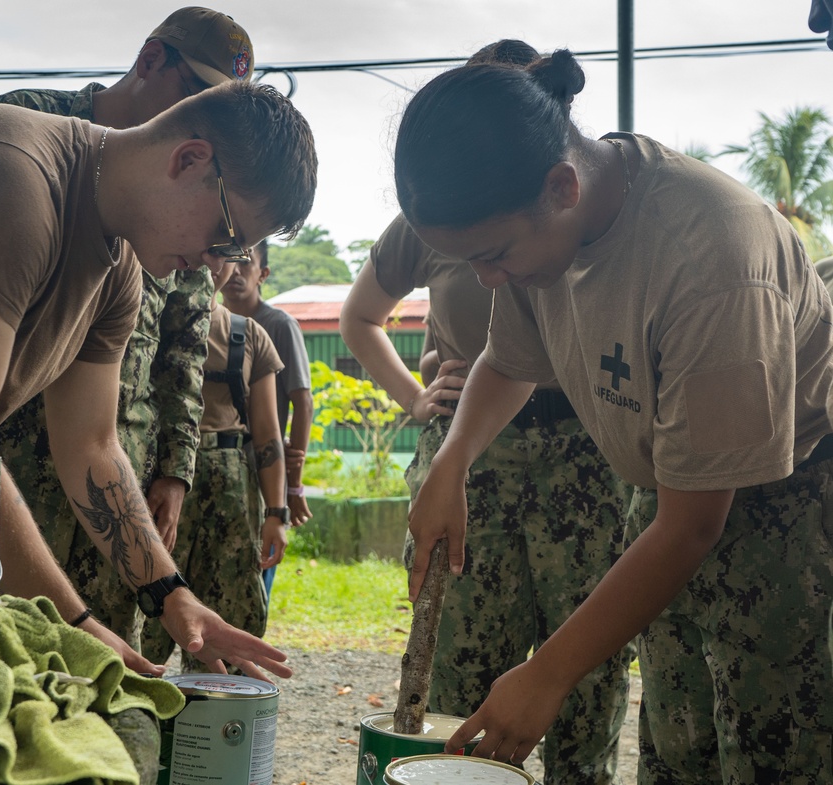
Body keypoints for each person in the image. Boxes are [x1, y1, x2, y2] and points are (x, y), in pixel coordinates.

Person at [393, 45, 833, 784]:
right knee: (675, 739)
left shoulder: (710, 257)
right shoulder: (542, 231)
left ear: (563, 186)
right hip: (664, 493)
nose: (488, 278)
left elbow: (696, 525)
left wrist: (547, 672)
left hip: (777, 507)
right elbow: (509, 359)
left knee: (770, 747)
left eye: (494, 255)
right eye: (470, 262)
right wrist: (452, 460)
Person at [0, 78, 318, 682]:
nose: (217, 265)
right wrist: (78, 626)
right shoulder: (10, 178)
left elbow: (91, 446)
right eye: (224, 237)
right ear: (189, 160)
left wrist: (171, 595)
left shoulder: (118, 268)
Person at [342, 44, 632, 785]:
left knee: (584, 675)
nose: (490, 270)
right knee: (460, 661)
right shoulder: (440, 217)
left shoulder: (563, 205)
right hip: (474, 458)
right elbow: (361, 318)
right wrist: (417, 399)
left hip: (581, 449)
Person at [0, 6, 250, 654]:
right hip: (5, 450)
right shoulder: (32, 122)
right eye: (201, 93)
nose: (209, 121)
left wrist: (174, 468)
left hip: (114, 455)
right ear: (151, 60)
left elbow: (186, 345)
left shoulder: (193, 196)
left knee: (107, 662)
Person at [144, 259, 287, 671]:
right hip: (159, 481)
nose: (219, 264)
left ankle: (218, 726)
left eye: (234, 256)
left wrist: (276, 513)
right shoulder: (154, 318)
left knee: (232, 619)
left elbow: (267, 434)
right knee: (148, 609)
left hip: (230, 489)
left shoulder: (249, 334)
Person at [221, 238, 314, 597]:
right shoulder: (207, 321)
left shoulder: (278, 325)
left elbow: (302, 402)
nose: (237, 270)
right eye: (232, 260)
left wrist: (294, 483)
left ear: (263, 273)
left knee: (256, 564)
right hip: (217, 458)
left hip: (264, 460)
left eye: (247, 262)